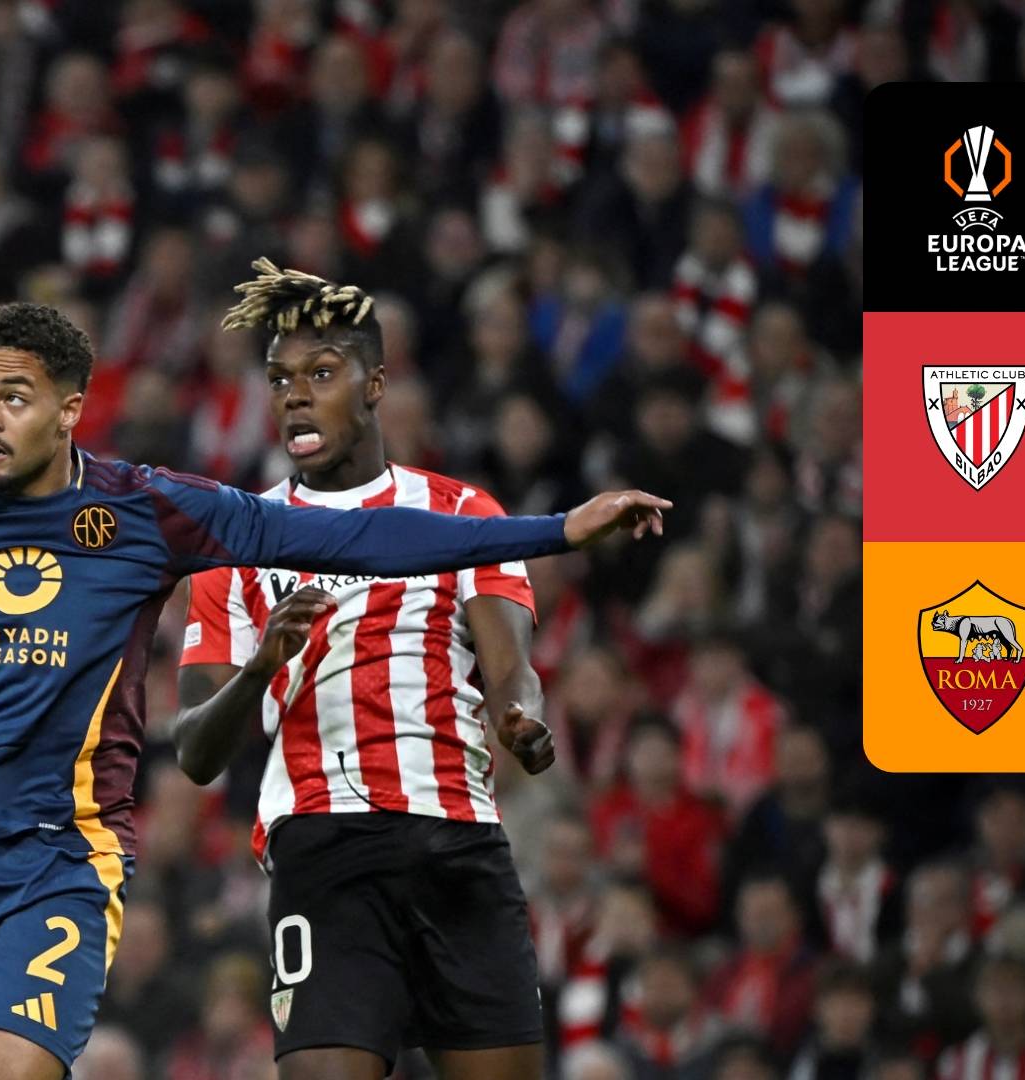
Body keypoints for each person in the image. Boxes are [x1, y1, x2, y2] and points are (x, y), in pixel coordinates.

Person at [0, 299, 672, 1080]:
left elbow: (362, 536)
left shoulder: (150, 512)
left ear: (71, 407)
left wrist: (554, 532)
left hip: (62, 859)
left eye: (13, 397)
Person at [172, 260, 672, 1080]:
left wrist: (520, 719)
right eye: (280, 379)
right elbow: (195, 751)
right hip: (324, 848)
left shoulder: (463, 513)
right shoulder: (239, 541)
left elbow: (511, 668)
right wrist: (261, 667)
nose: (295, 396)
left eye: (321, 374)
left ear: (374, 385)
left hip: (456, 840)